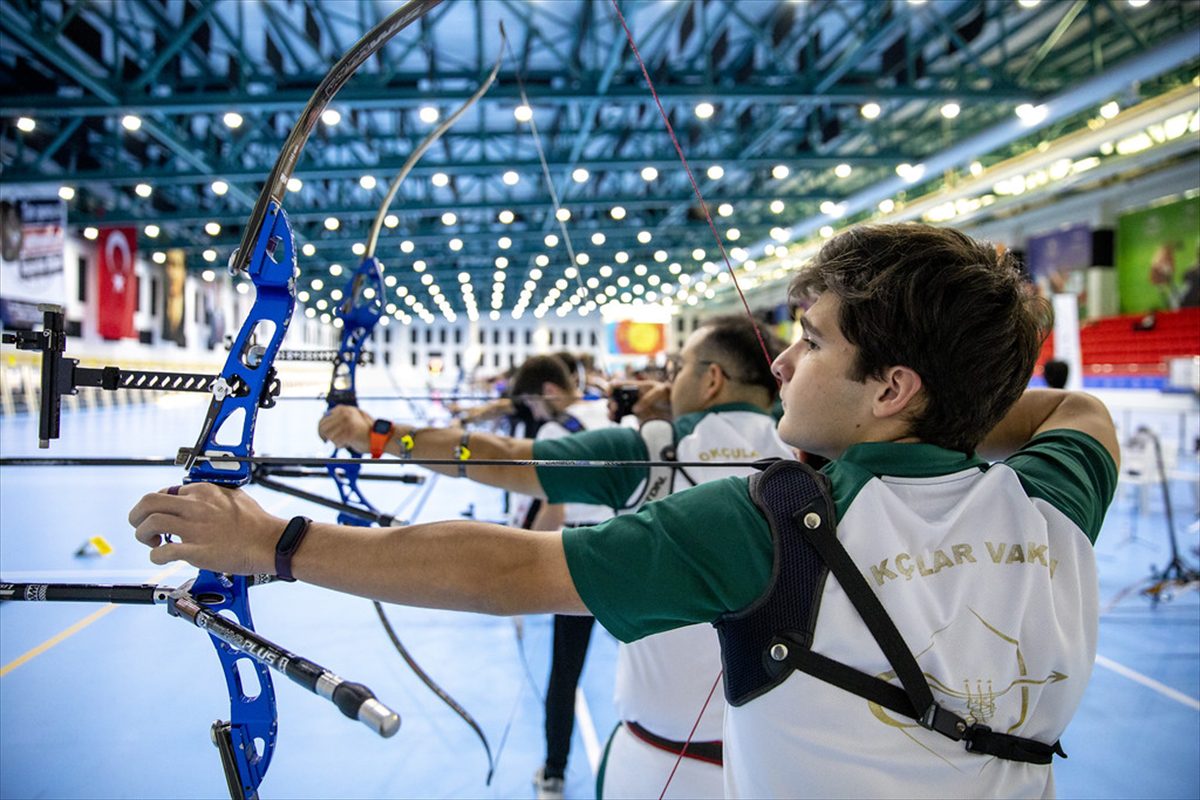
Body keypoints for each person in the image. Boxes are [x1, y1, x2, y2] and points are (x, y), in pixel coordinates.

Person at [131, 224, 1119, 799]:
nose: (785, 361)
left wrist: (273, 538)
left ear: (890, 387)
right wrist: (957, 393)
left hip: (660, 759)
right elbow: (1080, 410)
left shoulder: (766, 515)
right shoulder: (1056, 494)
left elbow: (510, 557)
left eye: (811, 343)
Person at [320, 314, 792, 798]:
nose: (669, 381)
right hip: (781, 764)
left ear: (711, 379)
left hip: (663, 763)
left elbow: (494, 454)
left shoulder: (649, 448)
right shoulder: (809, 457)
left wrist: (374, 434)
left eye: (680, 367)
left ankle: (554, 769)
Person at [504, 354, 615, 799]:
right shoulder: (608, 412)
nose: (533, 417)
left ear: (549, 392)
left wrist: (514, 566)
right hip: (631, 540)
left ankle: (553, 771)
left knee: (565, 670)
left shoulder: (553, 432)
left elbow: (554, 508)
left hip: (583, 554)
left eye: (532, 406)